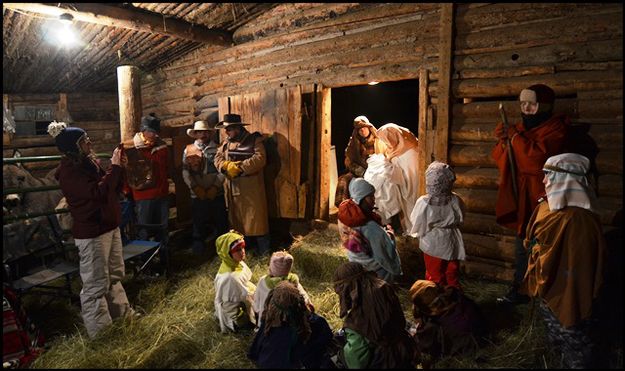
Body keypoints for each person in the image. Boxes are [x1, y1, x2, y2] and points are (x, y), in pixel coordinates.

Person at [48, 121, 135, 339]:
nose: (89, 142)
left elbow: (110, 188)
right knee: (95, 284)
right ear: (73, 147)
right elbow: (97, 193)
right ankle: (101, 333)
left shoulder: (89, 164)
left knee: (114, 276)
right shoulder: (70, 172)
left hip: (108, 226)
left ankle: (122, 317)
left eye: (87, 138)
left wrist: (120, 169)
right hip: (93, 231)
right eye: (83, 140)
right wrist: (114, 168)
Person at [521, 153, 607, 369]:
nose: (543, 181)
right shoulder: (549, 208)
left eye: (549, 175)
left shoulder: (579, 219)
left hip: (569, 287)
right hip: (549, 286)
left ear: (567, 179)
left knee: (574, 340)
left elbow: (580, 262)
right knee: (556, 336)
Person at [492, 84, 569, 304]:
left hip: (542, 196)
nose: (526, 109)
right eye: (523, 104)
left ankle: (543, 291)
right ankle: (522, 289)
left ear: (544, 106)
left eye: (532, 104)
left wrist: (515, 139)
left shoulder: (556, 129)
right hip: (522, 196)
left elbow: (536, 161)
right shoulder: (520, 129)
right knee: (521, 243)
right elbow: (504, 160)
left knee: (542, 245)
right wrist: (504, 143)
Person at [332, 262, 416, 369]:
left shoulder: (356, 321)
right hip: (404, 353)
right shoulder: (385, 289)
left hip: (383, 363)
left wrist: (342, 354)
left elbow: (357, 362)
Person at [214, 113, 271, 255]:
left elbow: (260, 158)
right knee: (238, 224)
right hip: (233, 190)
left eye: (229, 129)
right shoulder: (225, 143)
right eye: (225, 130)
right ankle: (246, 251)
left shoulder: (254, 140)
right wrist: (225, 166)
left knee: (257, 222)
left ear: (238, 128)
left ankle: (264, 252)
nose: (226, 132)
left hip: (250, 190)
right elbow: (217, 158)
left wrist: (239, 168)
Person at [123, 113, 170, 275]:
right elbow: (124, 173)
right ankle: (145, 265)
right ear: (143, 130)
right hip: (142, 197)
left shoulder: (161, 146)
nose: (155, 135)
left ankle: (164, 261)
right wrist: (128, 193)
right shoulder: (129, 148)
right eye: (152, 131)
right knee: (144, 231)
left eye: (156, 132)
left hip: (161, 195)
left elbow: (165, 170)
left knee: (162, 229)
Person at [248, 281, 334, 369]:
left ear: (271, 305)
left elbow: (255, 353)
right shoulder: (317, 323)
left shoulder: (269, 324)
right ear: (301, 303)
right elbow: (329, 339)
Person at [409, 161, 466, 289]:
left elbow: (416, 221)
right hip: (451, 240)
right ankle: (455, 300)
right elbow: (461, 218)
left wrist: (420, 232)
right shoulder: (455, 200)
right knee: (451, 272)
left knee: (434, 274)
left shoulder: (423, 203)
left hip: (432, 242)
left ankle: (437, 302)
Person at [337, 178, 402, 283]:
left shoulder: (345, 216)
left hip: (356, 264)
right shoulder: (370, 227)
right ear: (360, 198)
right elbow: (384, 257)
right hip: (375, 273)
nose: (374, 199)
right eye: (370, 196)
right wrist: (389, 236)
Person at [408, 280, 485, 367]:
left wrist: (415, 330)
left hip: (464, 350)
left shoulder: (434, 324)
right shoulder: (458, 297)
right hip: (483, 334)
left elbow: (422, 344)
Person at [182, 119, 229, 255]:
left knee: (221, 222)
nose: (203, 135)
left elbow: (223, 170)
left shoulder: (218, 148)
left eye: (205, 132)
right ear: (195, 134)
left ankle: (224, 250)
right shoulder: (188, 150)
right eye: (199, 132)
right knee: (198, 222)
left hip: (217, 193)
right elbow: (185, 172)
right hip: (197, 194)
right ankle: (199, 252)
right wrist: (194, 187)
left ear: (209, 133)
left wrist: (215, 186)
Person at [364, 123, 419, 234]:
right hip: (402, 187)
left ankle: (416, 231)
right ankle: (408, 230)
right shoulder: (395, 149)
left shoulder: (411, 152)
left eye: (387, 140)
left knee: (413, 207)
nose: (386, 144)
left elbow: (412, 174)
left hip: (411, 187)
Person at [253, 250, 313, 325]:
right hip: (290, 325)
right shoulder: (293, 282)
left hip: (266, 324)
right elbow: (305, 299)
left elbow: (256, 304)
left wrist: (257, 311)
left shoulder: (263, 282)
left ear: (271, 269)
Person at [213, 230, 256, 333]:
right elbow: (229, 306)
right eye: (238, 250)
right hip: (235, 315)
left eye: (243, 247)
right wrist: (242, 320)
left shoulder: (235, 262)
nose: (242, 252)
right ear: (227, 253)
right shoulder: (230, 278)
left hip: (243, 299)